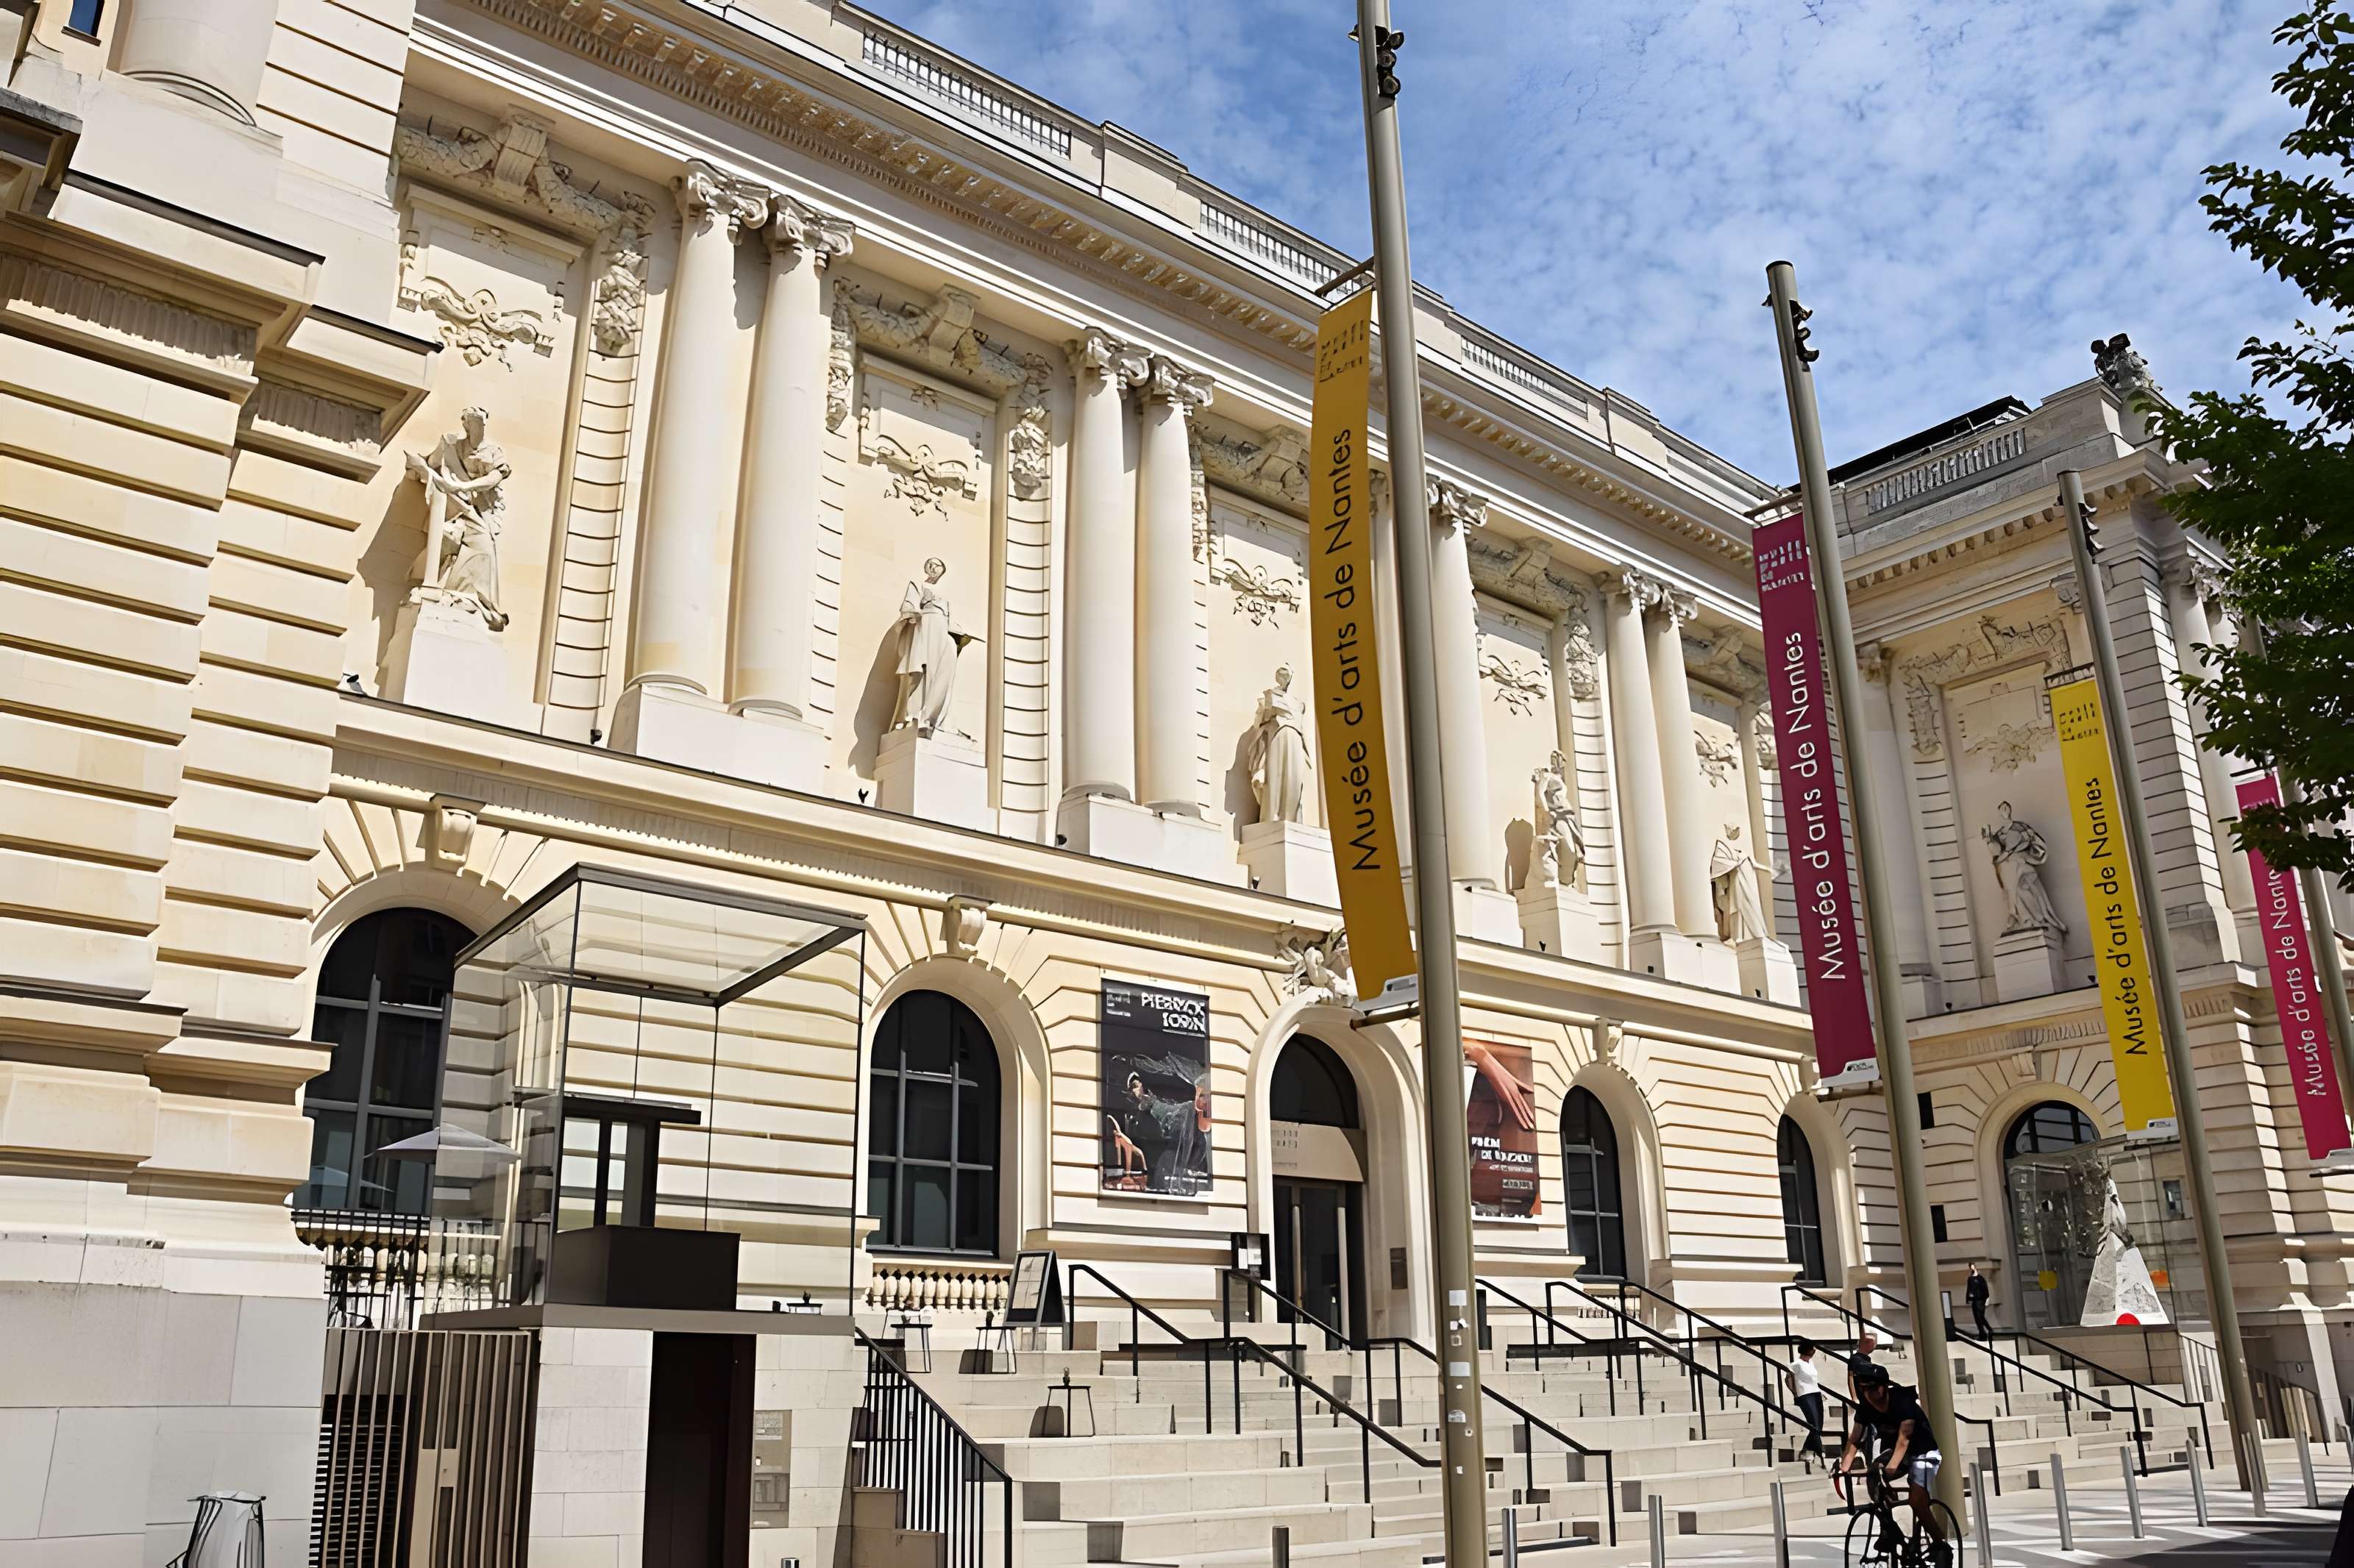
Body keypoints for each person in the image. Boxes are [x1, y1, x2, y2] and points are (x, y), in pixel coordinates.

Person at [1835, 1364, 1949, 1567]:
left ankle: (1940, 1545)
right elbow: (1855, 1439)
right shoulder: (1866, 1408)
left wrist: (1891, 1469)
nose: (1870, 1394)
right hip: (1896, 1452)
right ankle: (1889, 1528)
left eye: (1874, 1388)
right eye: (1864, 1389)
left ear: (1884, 1386)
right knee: (1874, 1473)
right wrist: (1844, 1468)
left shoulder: (1902, 1402)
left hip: (1923, 1451)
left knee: (1917, 1501)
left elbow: (1904, 1439)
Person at [1785, 1339, 1827, 1464]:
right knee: (1813, 1424)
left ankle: (1807, 1449)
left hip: (1816, 1394)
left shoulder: (1811, 1363)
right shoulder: (1796, 1364)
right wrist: (1795, 1393)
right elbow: (1788, 1379)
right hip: (1805, 1395)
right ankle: (1819, 1450)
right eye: (1812, 1349)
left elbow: (1813, 1381)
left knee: (1819, 1425)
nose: (1814, 1351)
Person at [1966, 1264, 1992, 1339]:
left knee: (1980, 1317)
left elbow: (1985, 1289)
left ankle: (1985, 1332)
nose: (1972, 1269)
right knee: (1978, 1317)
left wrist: (1987, 1299)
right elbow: (1969, 1289)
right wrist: (1968, 1298)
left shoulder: (1981, 1278)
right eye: (1971, 1267)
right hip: (1975, 1300)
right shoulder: (1970, 1279)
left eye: (1973, 1267)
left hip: (1981, 1300)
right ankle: (1986, 1331)